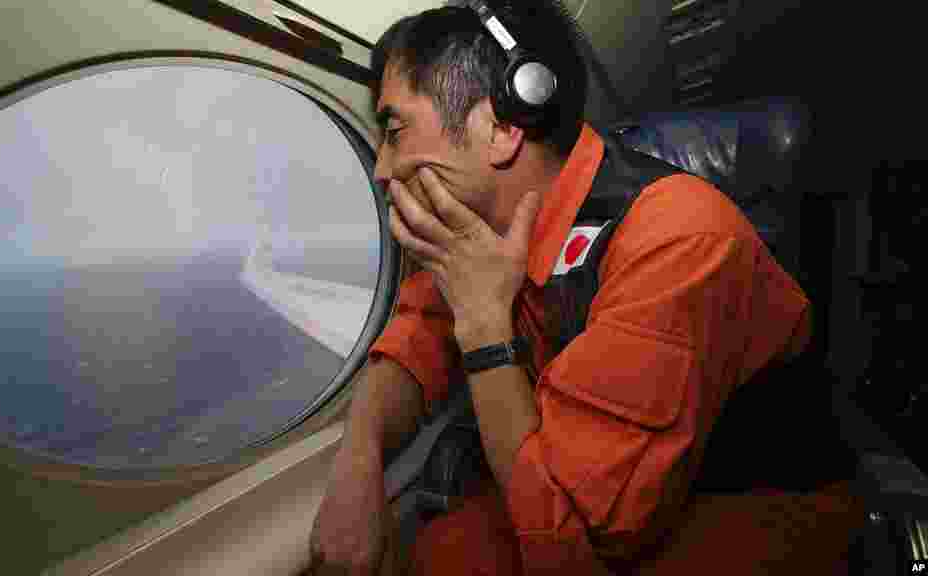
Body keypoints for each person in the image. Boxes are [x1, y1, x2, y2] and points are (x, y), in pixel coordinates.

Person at [308, 3, 860, 575]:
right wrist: (359, 460)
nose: (381, 168)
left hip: (759, 506)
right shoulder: (476, 238)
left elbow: (574, 547)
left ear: (500, 127)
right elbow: (412, 341)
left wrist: (482, 324)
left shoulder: (678, 239)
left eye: (395, 132)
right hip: (576, 478)